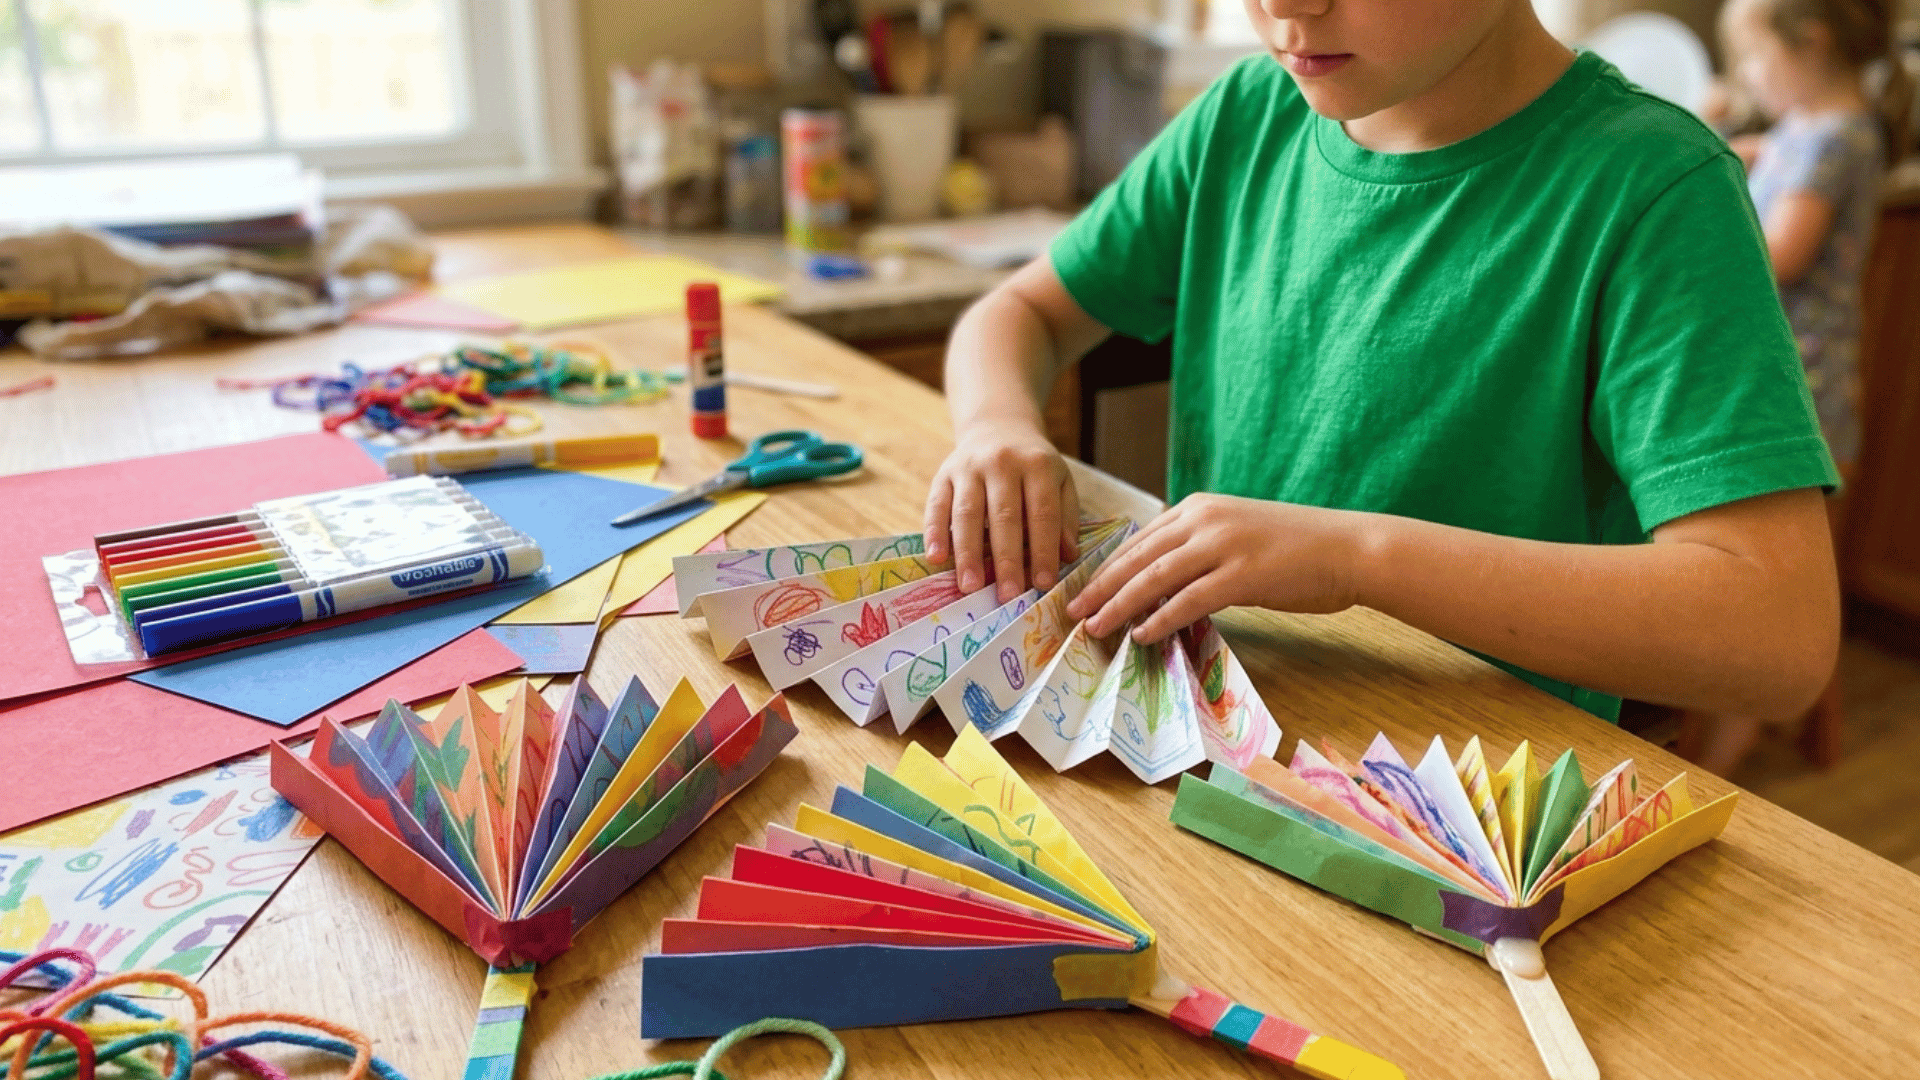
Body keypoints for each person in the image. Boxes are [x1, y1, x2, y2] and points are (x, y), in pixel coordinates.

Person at [922, 0, 1845, 728]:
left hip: (1462, 825)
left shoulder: (1653, 190)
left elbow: (1778, 636)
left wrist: (1355, 556)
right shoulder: (1246, 117)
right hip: (1217, 745)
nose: (1286, 5)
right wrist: (996, 424)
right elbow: (1020, 311)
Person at [1685, 0, 1908, 772]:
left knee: (1760, 606)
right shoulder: (1812, 130)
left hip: (1799, 397)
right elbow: (1765, 163)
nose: (1747, 78)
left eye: (1752, 58)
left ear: (1809, 44)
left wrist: (1706, 205)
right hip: (1788, 386)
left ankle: (1714, 770)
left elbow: (1779, 254)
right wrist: (1722, 146)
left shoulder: (1840, 138)